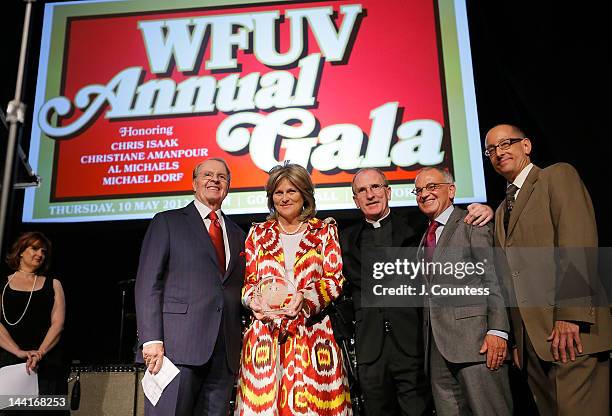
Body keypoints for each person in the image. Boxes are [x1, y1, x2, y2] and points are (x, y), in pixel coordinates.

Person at [339, 167, 494, 416]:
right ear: (355, 200)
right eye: (362, 190)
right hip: (370, 351)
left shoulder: (417, 226)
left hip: (412, 347)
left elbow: (450, 218)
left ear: (388, 192)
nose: (370, 195)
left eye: (376, 187)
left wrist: (484, 208)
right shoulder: (343, 239)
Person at [485, 124, 612, 415]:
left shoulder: (557, 176)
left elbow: (578, 244)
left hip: (572, 332)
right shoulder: (503, 209)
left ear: (526, 145)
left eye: (506, 143)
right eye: (491, 149)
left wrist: (571, 314)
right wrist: (518, 341)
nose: (499, 152)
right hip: (533, 345)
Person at [236, 163, 352, 415]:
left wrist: (307, 298)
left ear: (305, 195)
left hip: (311, 333)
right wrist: (252, 301)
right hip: (265, 335)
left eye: (292, 191)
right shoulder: (257, 233)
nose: (285, 198)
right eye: (278, 193)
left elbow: (334, 279)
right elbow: (248, 281)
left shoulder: (324, 231)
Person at [135, 158, 246, 416]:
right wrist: (151, 339)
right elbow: (148, 283)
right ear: (194, 182)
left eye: (221, 176)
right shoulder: (168, 222)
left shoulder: (238, 234)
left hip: (224, 353)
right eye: (207, 174)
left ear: (228, 186)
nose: (214, 180)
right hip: (174, 350)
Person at [414, 167, 512, 415]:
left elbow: (494, 278)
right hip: (437, 353)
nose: (425, 194)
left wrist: (498, 330)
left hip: (477, 345)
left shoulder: (472, 223)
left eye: (432, 187)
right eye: (419, 190)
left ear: (452, 190)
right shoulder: (425, 236)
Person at [0, 232, 68, 414]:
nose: (40, 254)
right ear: (21, 251)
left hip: (47, 363)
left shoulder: (53, 284)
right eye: (35, 249)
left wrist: (40, 353)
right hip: (9, 362)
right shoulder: (2, 285)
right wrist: (18, 351)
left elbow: (58, 324)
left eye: (44, 252)